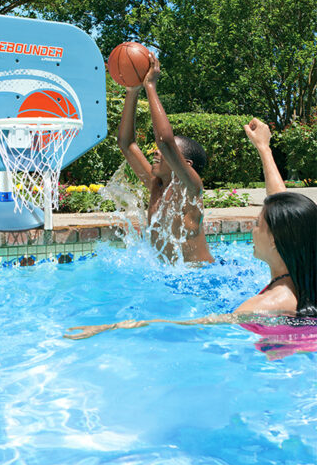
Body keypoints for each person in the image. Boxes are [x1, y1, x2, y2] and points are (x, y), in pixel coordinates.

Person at [65, 118, 317, 340]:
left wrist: (114, 327)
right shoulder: (299, 280)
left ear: (276, 239)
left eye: (257, 225)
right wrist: (263, 148)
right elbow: (284, 206)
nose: (252, 231)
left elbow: (196, 325)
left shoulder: (266, 304)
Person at [117, 52, 213, 263]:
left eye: (166, 153)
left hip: (200, 277)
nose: (156, 152)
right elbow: (126, 144)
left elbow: (164, 140)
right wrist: (132, 91)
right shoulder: (156, 185)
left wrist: (150, 86)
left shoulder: (191, 189)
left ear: (186, 165)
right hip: (169, 277)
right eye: (158, 151)